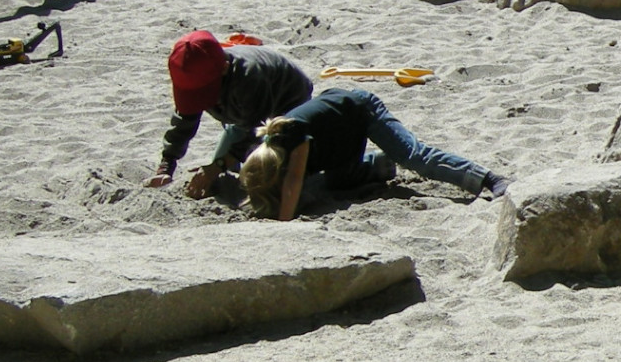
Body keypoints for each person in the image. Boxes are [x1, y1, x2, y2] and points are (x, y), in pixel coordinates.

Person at [240, 87, 511, 221]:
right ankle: (378, 165)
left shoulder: (291, 137)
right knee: (330, 183)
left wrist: (284, 222)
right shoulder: (267, 150)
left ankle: (486, 178)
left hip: (361, 110)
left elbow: (293, 183)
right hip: (339, 139)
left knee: (414, 157)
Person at [145, 30, 314, 199]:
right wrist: (167, 165)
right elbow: (184, 119)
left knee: (267, 178)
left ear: (225, 68)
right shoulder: (200, 72)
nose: (201, 100)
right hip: (241, 114)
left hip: (286, 103)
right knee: (221, 170)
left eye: (205, 93)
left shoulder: (250, 77)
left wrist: (217, 166)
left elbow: (256, 131)